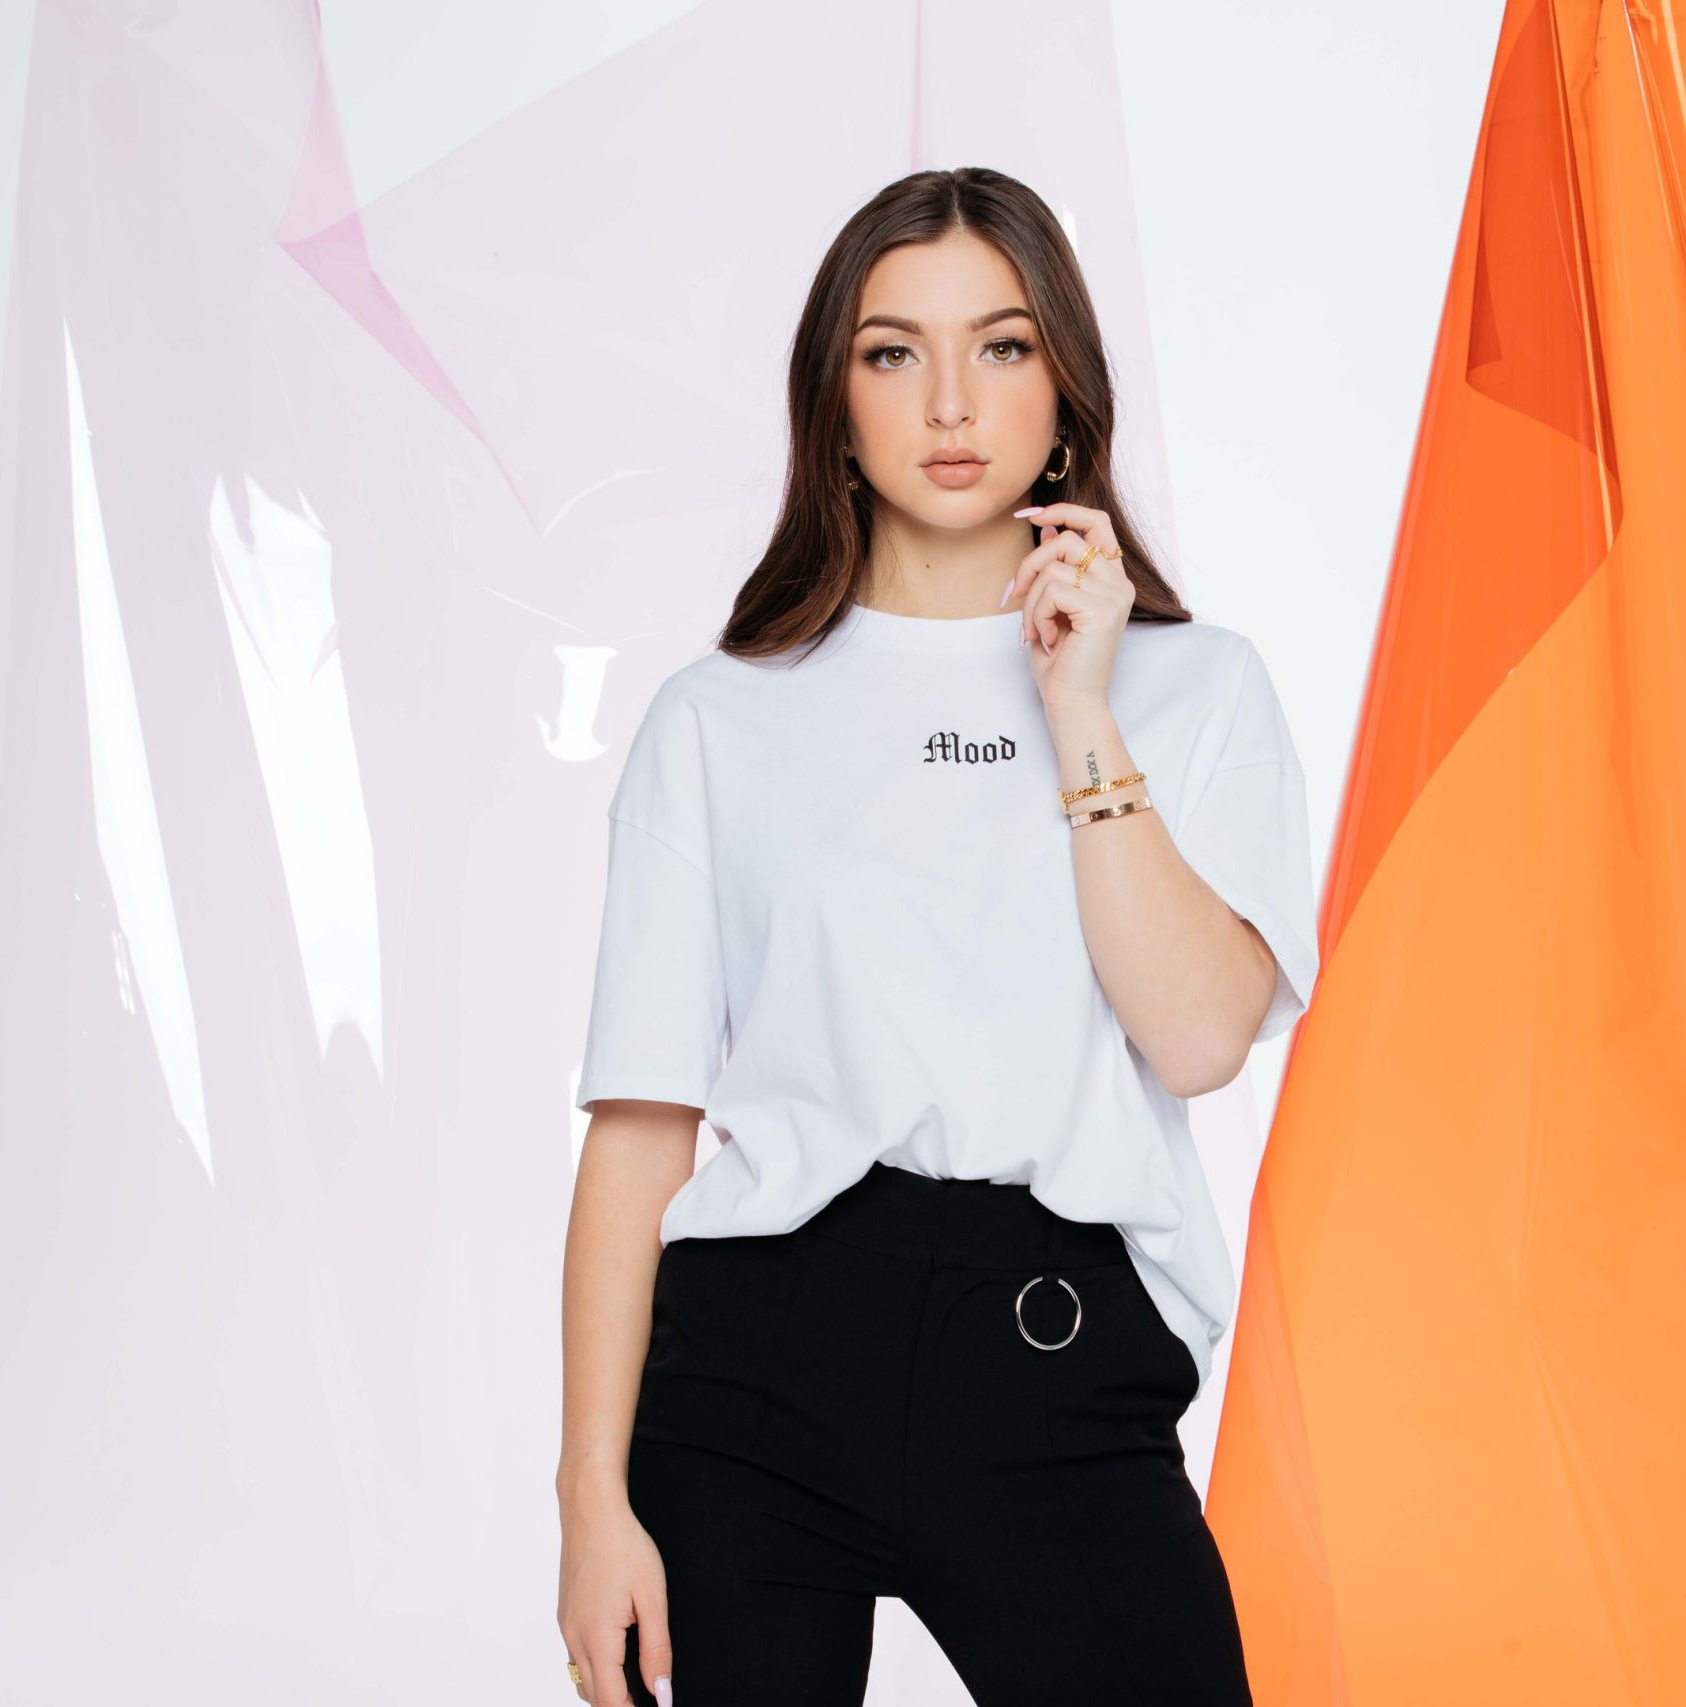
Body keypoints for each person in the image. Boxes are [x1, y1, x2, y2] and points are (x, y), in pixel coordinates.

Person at [554, 165, 1321, 1706]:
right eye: (895, 352)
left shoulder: (1197, 689)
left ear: (1065, 391)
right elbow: (640, 1133)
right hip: (756, 1362)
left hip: (1055, 1345)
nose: (952, 401)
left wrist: (1079, 704)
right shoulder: (720, 718)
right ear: (834, 405)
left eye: (1004, 345)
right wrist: (590, 1500)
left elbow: (1196, 1040)